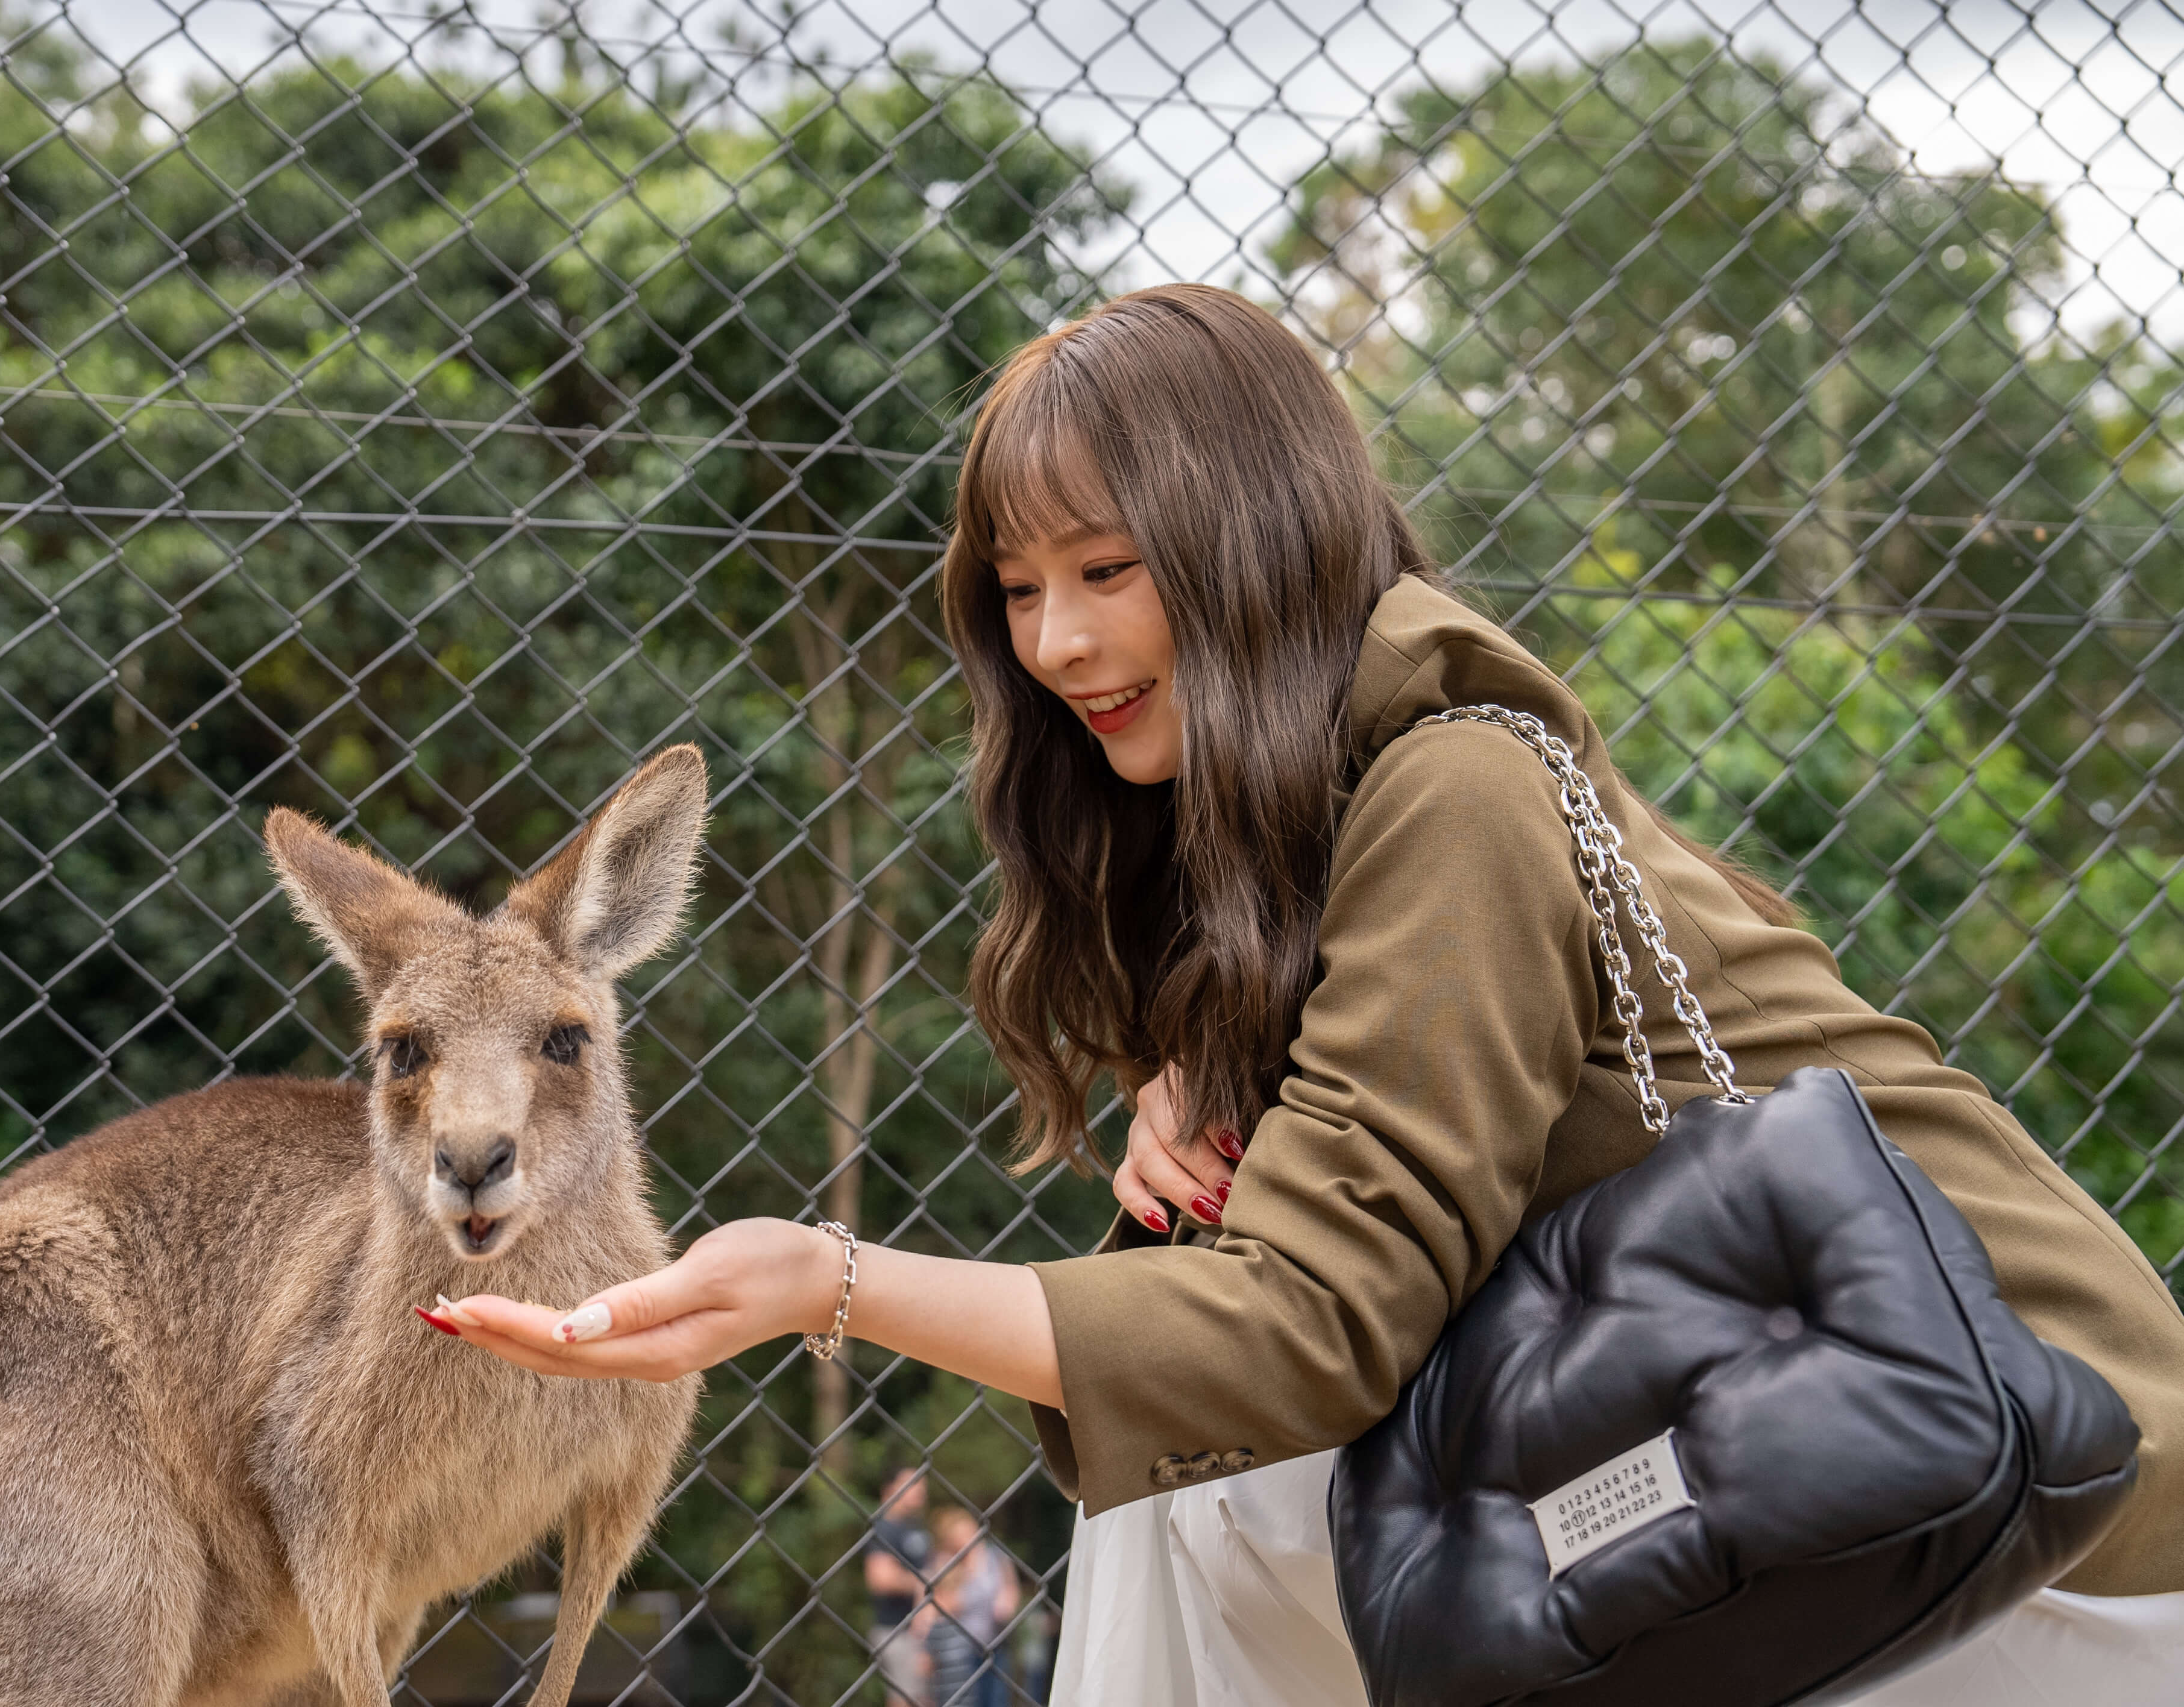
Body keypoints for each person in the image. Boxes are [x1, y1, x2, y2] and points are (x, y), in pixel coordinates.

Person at [424, 283, 2184, 1703]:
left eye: (1107, 570)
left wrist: (834, 1277)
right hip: (1803, 1471)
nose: (1052, 643)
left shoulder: (1454, 786)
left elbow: (1314, 1333)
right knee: (1187, 1478)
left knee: (1204, 1487)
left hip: (2034, 1494)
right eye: (1018, 590)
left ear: (1257, 538)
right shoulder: (1280, 854)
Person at [916, 1505, 1020, 1707]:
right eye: (960, 1535)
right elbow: (943, 1604)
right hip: (960, 1650)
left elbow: (1009, 1590)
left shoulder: (996, 1558)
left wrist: (1006, 1603)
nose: (967, 1540)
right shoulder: (945, 1564)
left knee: (996, 1700)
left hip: (994, 1643)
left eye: (969, 1532)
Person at [864, 1465, 934, 1707]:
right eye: (912, 1484)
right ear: (890, 1489)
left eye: (922, 1485)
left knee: (923, 1699)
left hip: (922, 1631)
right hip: (897, 1630)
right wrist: (923, 1581)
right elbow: (880, 1579)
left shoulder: (916, 1528)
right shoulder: (884, 1529)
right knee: (905, 1700)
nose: (921, 1491)